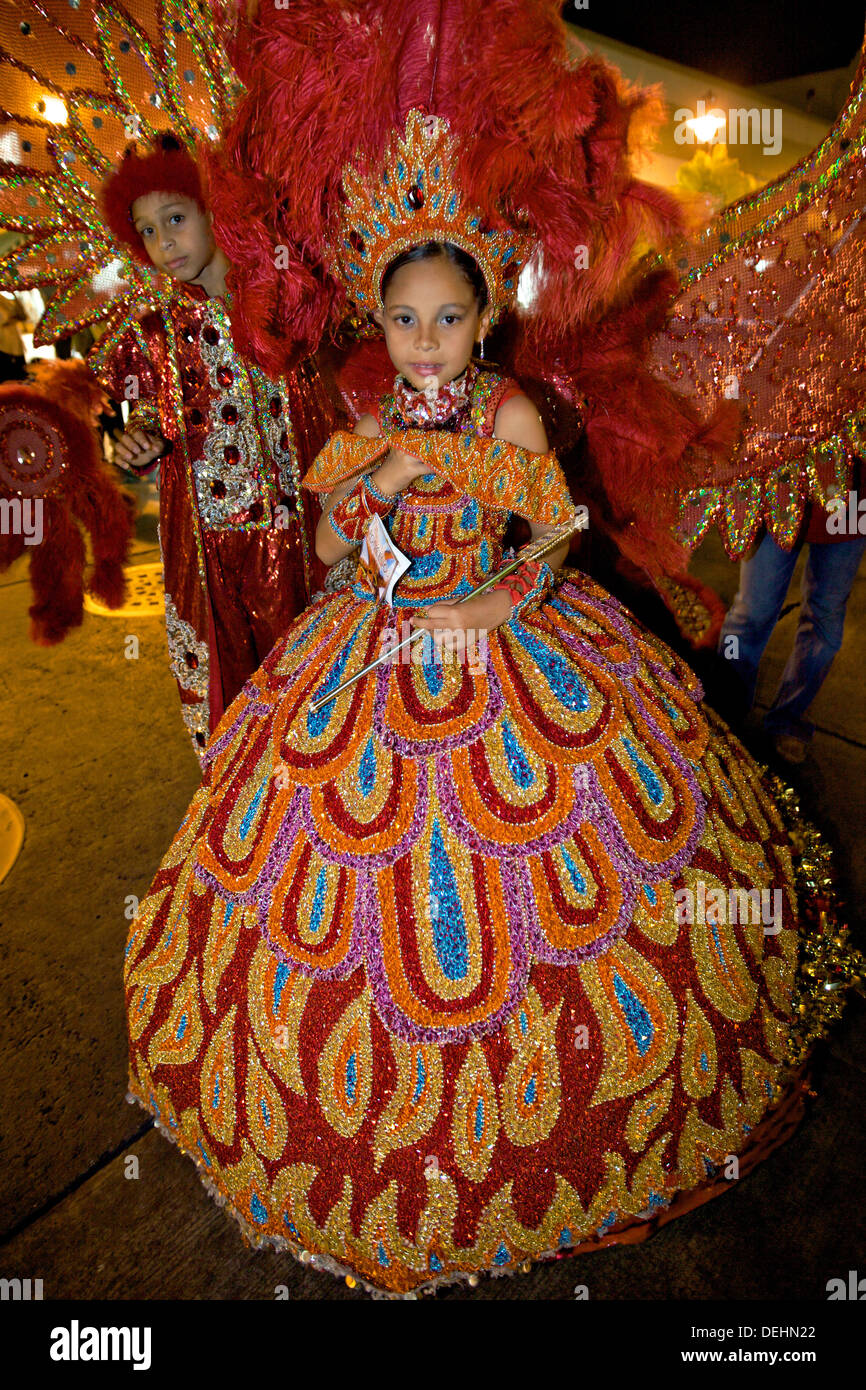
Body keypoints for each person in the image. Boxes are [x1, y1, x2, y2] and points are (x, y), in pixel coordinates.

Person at [122, 109, 862, 1297]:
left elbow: (558, 533)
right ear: (382, 323)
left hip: (507, 643)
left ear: (486, 317)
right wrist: (388, 480)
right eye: (404, 320)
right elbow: (322, 538)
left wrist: (484, 608)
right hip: (368, 651)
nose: (425, 342)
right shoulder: (361, 424)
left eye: (448, 318)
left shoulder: (510, 413)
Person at [90, 132, 335, 755]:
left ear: (214, 208)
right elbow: (142, 420)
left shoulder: (287, 303)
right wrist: (137, 441)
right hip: (213, 552)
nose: (163, 242)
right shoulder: (152, 336)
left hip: (307, 536)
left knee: (320, 686)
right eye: (145, 230)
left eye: (175, 218)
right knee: (239, 702)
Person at [718, 460, 866, 764]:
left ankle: (791, 717)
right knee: (749, 614)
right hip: (778, 477)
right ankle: (724, 708)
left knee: (826, 619)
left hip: (852, 495)